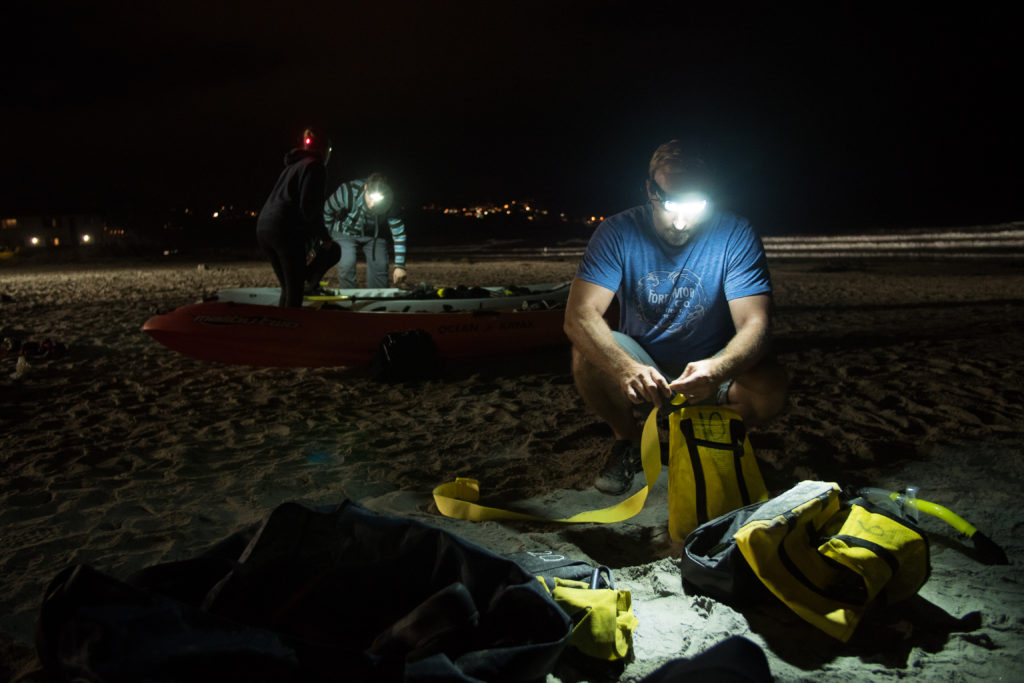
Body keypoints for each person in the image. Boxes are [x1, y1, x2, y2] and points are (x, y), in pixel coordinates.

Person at [564, 140, 788, 495]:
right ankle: (629, 441)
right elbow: (579, 315)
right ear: (649, 190)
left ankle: (699, 435)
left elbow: (756, 324)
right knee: (586, 352)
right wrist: (626, 368)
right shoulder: (618, 232)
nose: (682, 221)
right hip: (644, 362)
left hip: (708, 365)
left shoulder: (735, 233)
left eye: (695, 204)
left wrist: (718, 369)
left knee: (771, 387)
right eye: (670, 204)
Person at [256, 127, 334, 307]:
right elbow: (309, 208)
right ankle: (292, 325)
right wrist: (324, 237)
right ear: (325, 149)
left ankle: (281, 326)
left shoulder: (293, 165)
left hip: (264, 228)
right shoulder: (315, 166)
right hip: (284, 228)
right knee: (296, 290)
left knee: (288, 287)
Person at [321, 173, 407, 288]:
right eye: (370, 197)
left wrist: (400, 265)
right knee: (347, 265)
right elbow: (327, 211)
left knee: (380, 267)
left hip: (375, 236)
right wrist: (325, 238)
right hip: (344, 232)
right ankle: (348, 298)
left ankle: (377, 300)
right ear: (365, 187)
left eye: (378, 200)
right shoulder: (347, 192)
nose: (372, 205)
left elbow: (399, 234)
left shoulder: (391, 203)